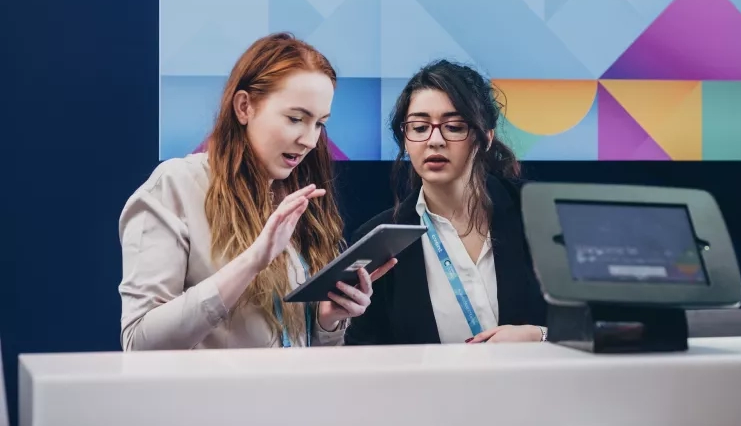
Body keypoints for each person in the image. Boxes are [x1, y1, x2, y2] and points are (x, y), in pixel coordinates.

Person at [118, 33, 395, 351]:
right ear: (244, 107)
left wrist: (327, 320)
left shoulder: (298, 198)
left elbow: (307, 353)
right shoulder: (176, 184)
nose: (309, 139)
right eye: (295, 119)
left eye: (320, 124)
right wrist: (252, 261)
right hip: (212, 401)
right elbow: (139, 344)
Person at [344, 60, 547, 345]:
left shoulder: (540, 212)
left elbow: (600, 323)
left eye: (453, 127)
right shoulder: (378, 238)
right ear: (405, 139)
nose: (435, 140)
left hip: (538, 386)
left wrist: (540, 336)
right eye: (419, 127)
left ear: (485, 137)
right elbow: (363, 350)